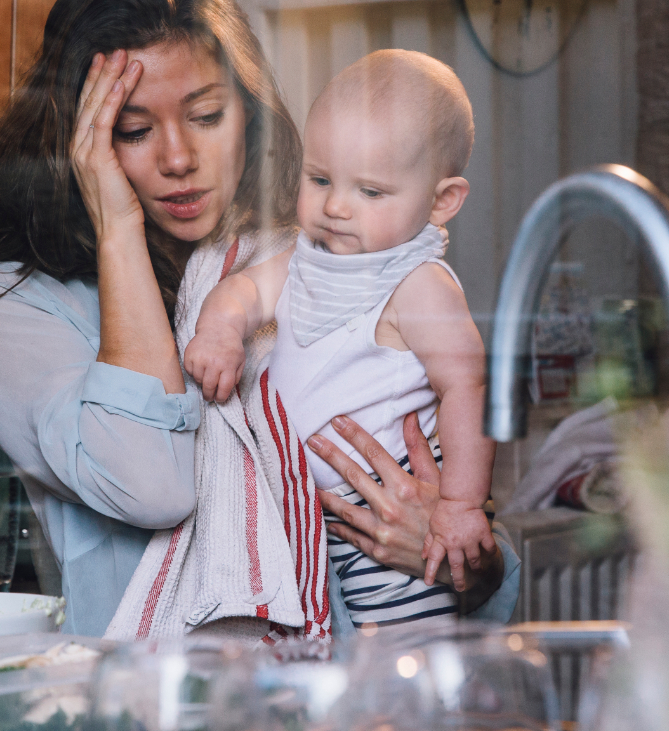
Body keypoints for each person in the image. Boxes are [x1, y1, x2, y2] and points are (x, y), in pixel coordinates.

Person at [0, 0, 518, 639]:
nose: (178, 158)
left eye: (207, 115)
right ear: (77, 141)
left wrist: (461, 556)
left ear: (248, 117)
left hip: (349, 690)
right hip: (156, 701)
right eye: (131, 130)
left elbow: (483, 567)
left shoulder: (315, 263)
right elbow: (153, 484)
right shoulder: (15, 306)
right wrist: (119, 227)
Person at [184, 50, 494, 630]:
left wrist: (458, 506)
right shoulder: (308, 260)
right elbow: (246, 292)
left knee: (401, 663)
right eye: (320, 179)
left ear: (441, 201)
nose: (335, 206)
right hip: (314, 520)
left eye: (371, 192)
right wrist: (220, 330)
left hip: (389, 510)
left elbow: (469, 387)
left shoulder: (417, 283)